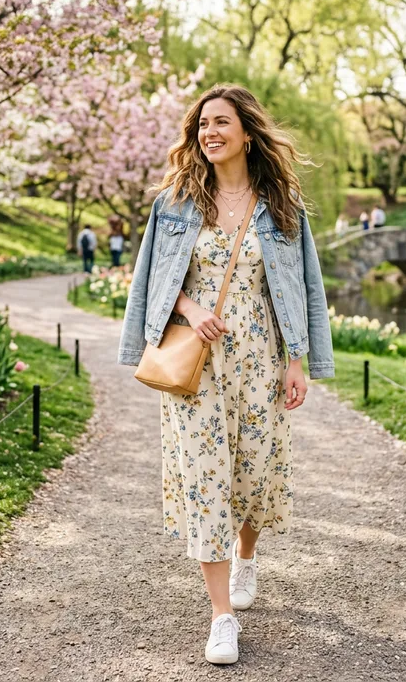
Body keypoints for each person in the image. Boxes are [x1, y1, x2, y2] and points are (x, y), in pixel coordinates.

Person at [117, 84, 334, 666]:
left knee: (252, 477)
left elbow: (305, 287)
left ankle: (247, 555)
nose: (210, 133)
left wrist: (299, 361)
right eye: (202, 125)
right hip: (198, 364)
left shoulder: (281, 203)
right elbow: (149, 281)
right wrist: (189, 310)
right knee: (206, 480)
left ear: (245, 131)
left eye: (221, 123)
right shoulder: (175, 202)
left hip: (261, 360)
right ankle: (222, 618)